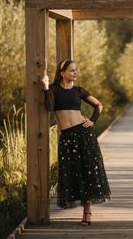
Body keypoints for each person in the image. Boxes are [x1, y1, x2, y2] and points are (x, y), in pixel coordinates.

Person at [41, 59, 111, 226]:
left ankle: (87, 212)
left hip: (83, 134)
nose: (75, 73)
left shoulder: (79, 91)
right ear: (62, 72)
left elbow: (99, 105)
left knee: (87, 172)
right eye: (72, 70)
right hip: (67, 137)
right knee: (72, 172)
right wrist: (45, 87)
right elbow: (49, 107)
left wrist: (92, 121)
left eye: (76, 70)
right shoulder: (53, 89)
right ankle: (82, 208)